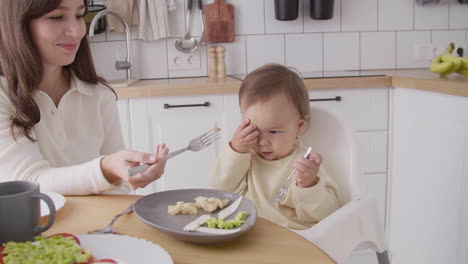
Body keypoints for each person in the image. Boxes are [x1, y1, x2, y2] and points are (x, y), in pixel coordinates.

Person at [0, 0, 168, 195]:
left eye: (79, 16)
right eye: (56, 17)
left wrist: (123, 173)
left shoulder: (98, 95)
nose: (76, 31)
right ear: (17, 24)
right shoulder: (4, 94)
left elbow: (119, 187)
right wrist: (106, 169)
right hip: (29, 225)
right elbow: (29, 182)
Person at [210, 64, 339, 230]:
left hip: (293, 240)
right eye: (254, 130)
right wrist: (236, 150)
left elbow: (327, 214)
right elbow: (217, 191)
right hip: (248, 235)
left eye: (273, 131)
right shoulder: (245, 158)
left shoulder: (305, 165)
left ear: (299, 126)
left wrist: (308, 185)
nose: (262, 142)